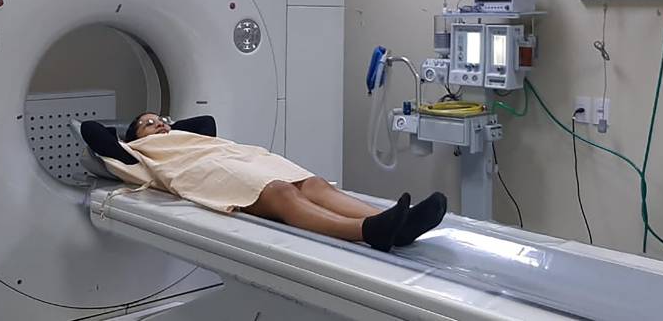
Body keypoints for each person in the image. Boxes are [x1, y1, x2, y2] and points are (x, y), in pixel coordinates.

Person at [99, 112, 448, 252]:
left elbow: (206, 122)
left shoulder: (188, 135)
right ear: (133, 137)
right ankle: (367, 230)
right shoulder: (136, 153)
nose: (159, 124)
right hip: (205, 173)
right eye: (148, 123)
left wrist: (171, 126)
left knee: (311, 183)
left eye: (161, 119)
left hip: (239, 158)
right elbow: (93, 133)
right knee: (280, 192)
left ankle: (397, 223)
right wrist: (132, 137)